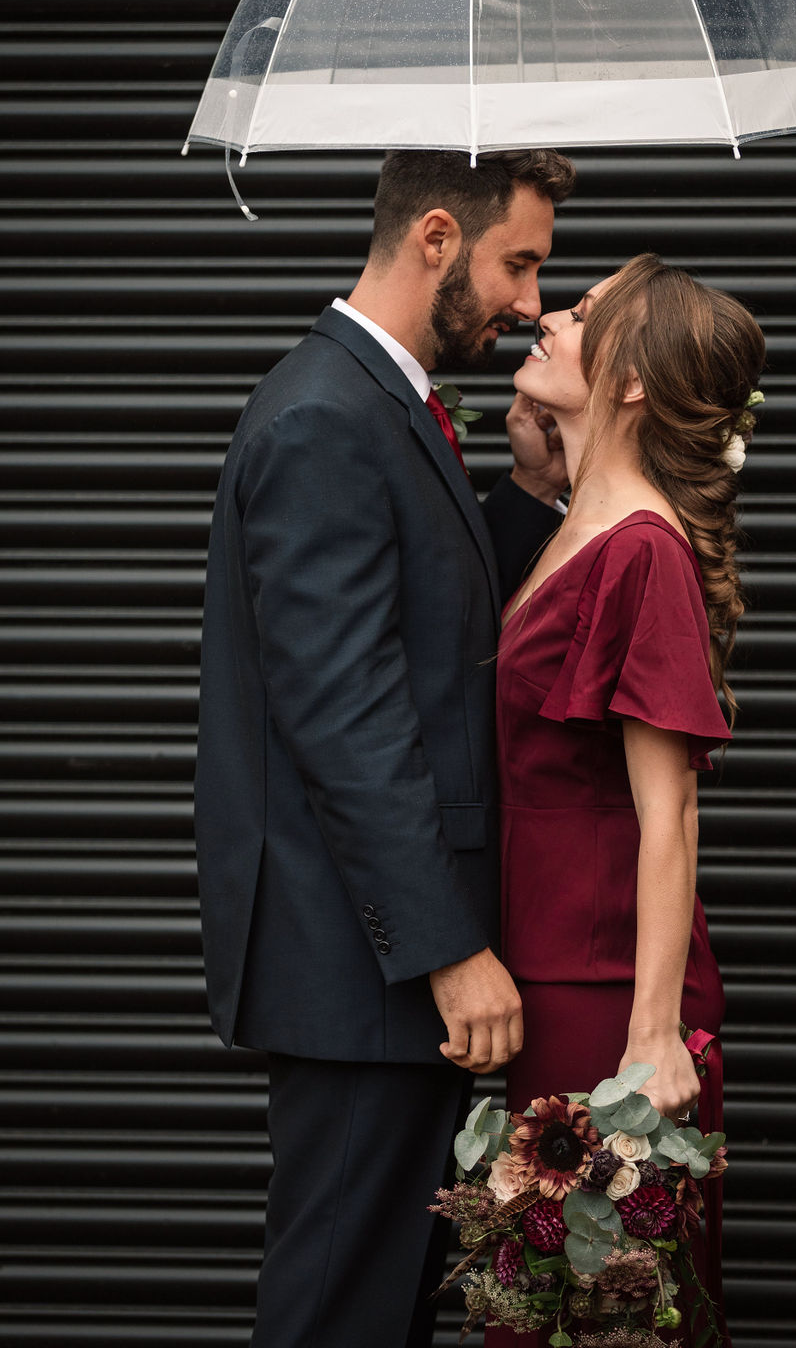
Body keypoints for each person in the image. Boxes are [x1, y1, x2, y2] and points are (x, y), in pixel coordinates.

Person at [193, 146, 576, 1348]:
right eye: (519, 264)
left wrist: (525, 498)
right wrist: (448, 948)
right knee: (339, 1306)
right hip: (365, 964)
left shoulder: (378, 403)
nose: (528, 304)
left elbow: (422, 628)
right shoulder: (324, 417)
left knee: (381, 1296)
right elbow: (347, 714)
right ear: (434, 239)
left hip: (376, 962)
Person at [488, 253, 766, 1346]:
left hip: (609, 993)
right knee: (547, 1304)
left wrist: (653, 1036)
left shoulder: (642, 552)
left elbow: (671, 813)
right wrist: (539, 477)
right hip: (550, 971)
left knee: (604, 1315)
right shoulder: (580, 524)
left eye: (584, 311)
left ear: (634, 380)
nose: (550, 316)